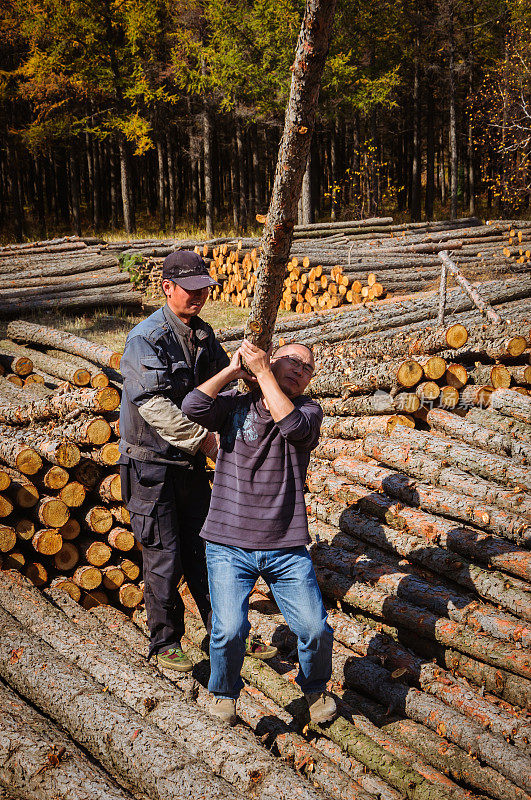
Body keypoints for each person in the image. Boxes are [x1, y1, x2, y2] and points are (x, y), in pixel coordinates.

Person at [119, 251, 276, 671]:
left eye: (204, 288)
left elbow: (225, 386)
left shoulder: (203, 334)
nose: (200, 296)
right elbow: (152, 404)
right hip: (151, 465)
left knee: (209, 551)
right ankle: (165, 640)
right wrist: (204, 442)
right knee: (164, 554)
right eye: (191, 290)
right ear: (167, 288)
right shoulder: (145, 339)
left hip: (189, 466)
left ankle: (227, 629)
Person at [182, 339, 336, 725]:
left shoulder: (309, 411)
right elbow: (192, 406)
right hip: (228, 542)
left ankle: (315, 690)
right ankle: (223, 693)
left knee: (314, 628)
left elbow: (294, 428)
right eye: (294, 361)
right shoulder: (236, 405)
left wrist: (264, 372)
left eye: (308, 368)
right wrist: (233, 369)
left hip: (285, 544)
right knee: (229, 628)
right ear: (273, 358)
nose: (301, 370)